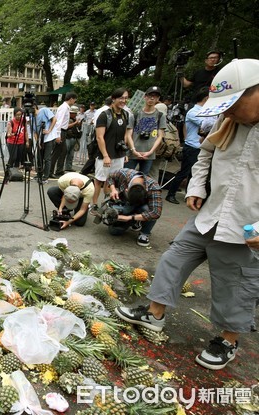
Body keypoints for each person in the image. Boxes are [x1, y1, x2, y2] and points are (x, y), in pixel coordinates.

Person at [116, 59, 259, 370]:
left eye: (235, 104)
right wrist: (195, 187)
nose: (230, 111)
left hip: (247, 226)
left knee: (234, 284)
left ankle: (227, 341)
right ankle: (154, 314)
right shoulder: (228, 121)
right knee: (173, 259)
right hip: (210, 213)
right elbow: (206, 153)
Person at [90, 88, 132, 215]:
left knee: (113, 181)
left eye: (125, 98)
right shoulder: (105, 115)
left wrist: (124, 153)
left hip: (119, 155)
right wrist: (105, 155)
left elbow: (124, 134)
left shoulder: (125, 115)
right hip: (105, 155)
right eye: (121, 98)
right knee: (99, 180)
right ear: (113, 99)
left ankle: (106, 204)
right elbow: (99, 137)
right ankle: (94, 205)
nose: (123, 100)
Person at [165, 88, 210, 204]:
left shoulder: (205, 111)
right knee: (184, 172)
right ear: (206, 98)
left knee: (194, 173)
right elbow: (207, 125)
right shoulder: (193, 112)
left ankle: (189, 194)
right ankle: (170, 194)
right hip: (192, 146)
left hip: (199, 147)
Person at [103, 168, 162, 247]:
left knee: (147, 209)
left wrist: (129, 218)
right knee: (115, 232)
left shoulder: (153, 187)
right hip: (126, 203)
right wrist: (113, 189)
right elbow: (110, 176)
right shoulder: (124, 174)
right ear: (127, 189)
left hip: (143, 206)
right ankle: (135, 220)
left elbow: (156, 213)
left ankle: (144, 233)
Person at [124, 86, 167, 175]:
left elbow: (160, 136)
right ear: (145, 97)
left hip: (149, 154)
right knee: (126, 178)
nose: (152, 98)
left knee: (143, 180)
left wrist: (151, 152)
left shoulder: (160, 116)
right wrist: (133, 150)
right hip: (133, 153)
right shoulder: (135, 114)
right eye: (150, 95)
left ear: (158, 99)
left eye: (155, 96)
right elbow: (128, 134)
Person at [50, 92, 78, 178]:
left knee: (63, 151)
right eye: (74, 100)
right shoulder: (64, 108)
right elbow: (59, 121)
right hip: (61, 131)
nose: (74, 102)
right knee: (57, 152)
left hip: (63, 131)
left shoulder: (65, 107)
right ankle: (50, 171)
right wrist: (58, 135)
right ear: (71, 99)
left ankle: (59, 170)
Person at [32, 102, 57, 183]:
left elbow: (54, 119)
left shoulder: (44, 110)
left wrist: (49, 130)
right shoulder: (32, 118)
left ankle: (46, 176)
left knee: (47, 158)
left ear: (34, 107)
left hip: (49, 138)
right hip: (41, 140)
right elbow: (35, 132)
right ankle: (39, 174)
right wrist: (37, 142)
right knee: (39, 158)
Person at [62, 105, 82, 173]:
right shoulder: (67, 118)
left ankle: (68, 167)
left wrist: (78, 123)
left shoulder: (74, 119)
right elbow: (66, 126)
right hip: (68, 137)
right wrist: (75, 123)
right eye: (75, 113)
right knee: (65, 153)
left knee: (71, 154)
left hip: (73, 137)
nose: (76, 114)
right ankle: (61, 167)